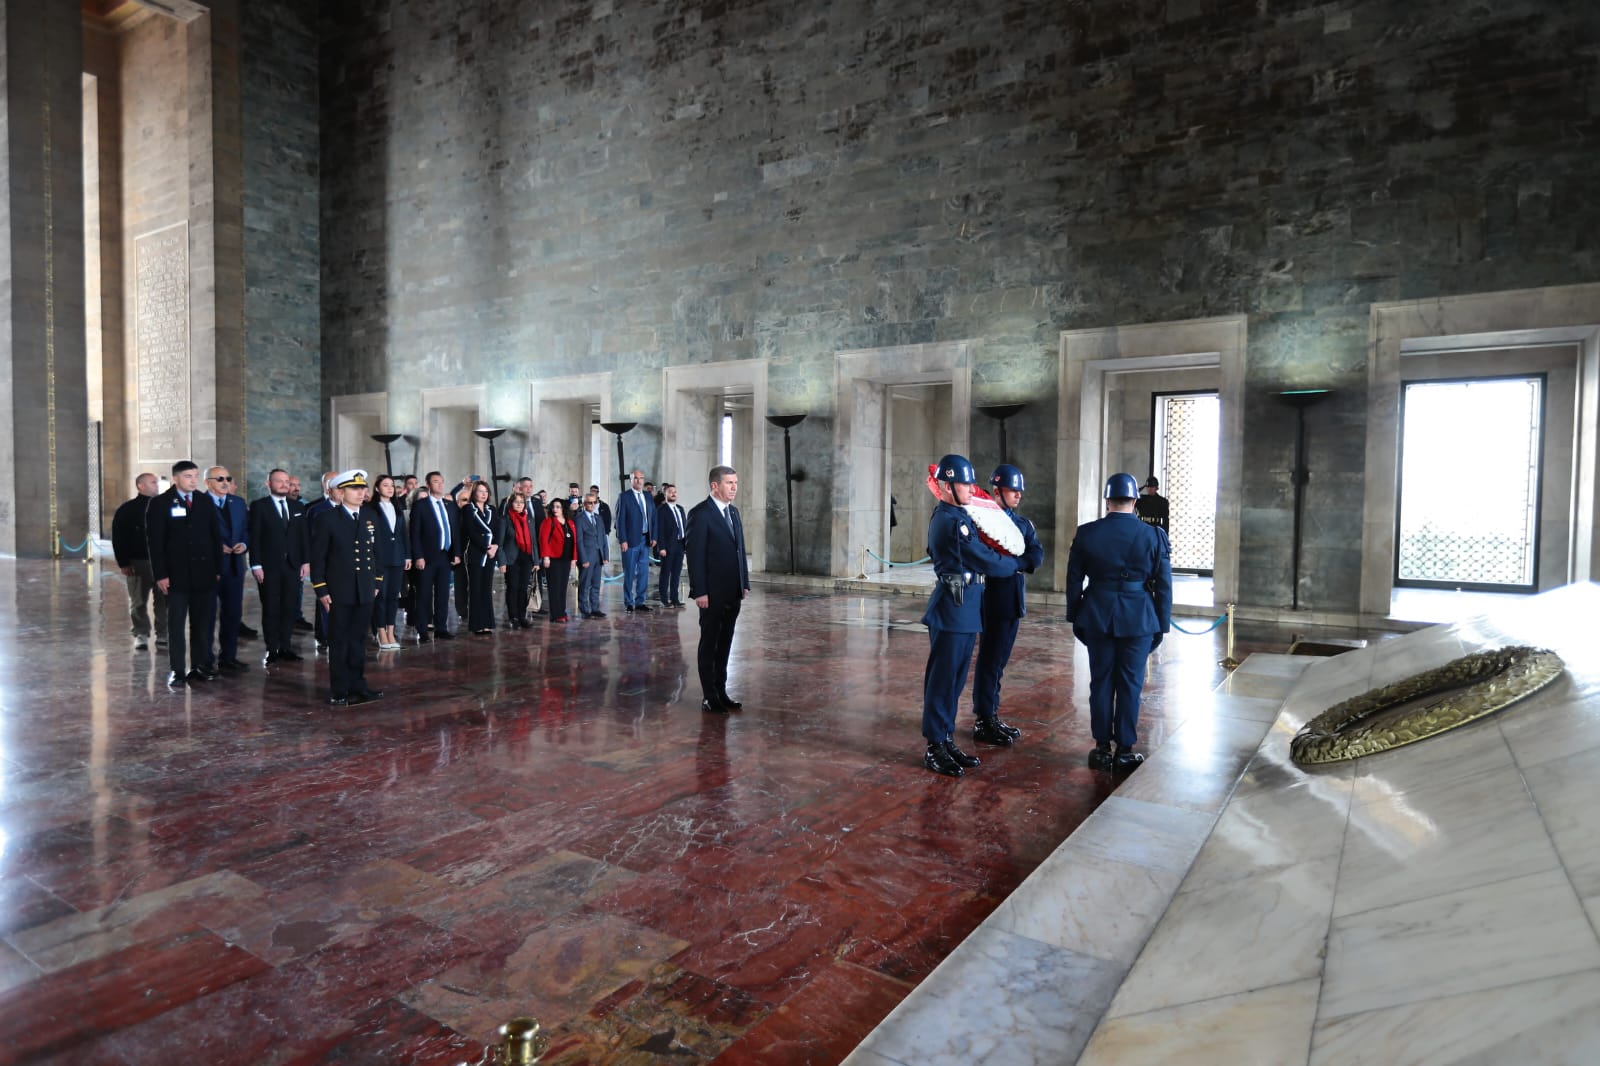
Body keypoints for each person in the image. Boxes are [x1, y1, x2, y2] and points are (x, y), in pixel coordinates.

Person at [918, 454, 1021, 776]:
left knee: (955, 679)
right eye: (964, 483)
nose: (970, 489)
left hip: (965, 605)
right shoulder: (950, 520)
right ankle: (935, 744)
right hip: (953, 606)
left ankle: (945, 738)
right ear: (947, 486)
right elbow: (983, 559)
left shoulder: (959, 516)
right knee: (943, 679)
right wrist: (1014, 563)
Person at [1068, 472, 1173, 772]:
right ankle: (1125, 749)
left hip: (1098, 614)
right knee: (1130, 683)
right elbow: (1164, 585)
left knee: (1100, 681)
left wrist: (1076, 614)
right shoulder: (1154, 536)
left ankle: (1101, 748)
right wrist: (1161, 623)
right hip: (1139, 618)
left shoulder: (1087, 533)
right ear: (1135, 501)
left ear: (1106, 501)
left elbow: (1074, 578)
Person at [971, 464, 1046, 746]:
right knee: (990, 661)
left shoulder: (1023, 524)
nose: (1018, 495)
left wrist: (1014, 564)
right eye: (1013, 490)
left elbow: (1036, 555)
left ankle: (991, 713)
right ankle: (984, 718)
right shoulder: (983, 523)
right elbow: (986, 559)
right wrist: (1012, 565)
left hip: (1012, 600)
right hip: (991, 599)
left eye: (1019, 491)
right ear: (997, 491)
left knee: (999, 662)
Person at [145, 460, 224, 686]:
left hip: (204, 574)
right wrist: (161, 574)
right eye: (188, 476)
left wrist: (217, 569)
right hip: (176, 575)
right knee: (176, 624)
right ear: (176, 478)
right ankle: (178, 670)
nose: (193, 480)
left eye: (195, 476)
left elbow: (215, 537)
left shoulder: (203, 501)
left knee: (202, 623)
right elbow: (155, 543)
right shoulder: (160, 504)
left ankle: (200, 665)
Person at [309, 470, 383, 705]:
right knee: (339, 641)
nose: (361, 493)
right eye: (355, 489)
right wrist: (321, 589)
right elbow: (318, 558)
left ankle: (358, 685)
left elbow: (376, 552)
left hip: (364, 590)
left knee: (359, 640)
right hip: (338, 591)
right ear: (341, 492)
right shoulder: (327, 518)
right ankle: (339, 689)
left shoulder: (370, 517)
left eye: (363, 489)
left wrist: (377, 582)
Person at [685, 465, 750, 713]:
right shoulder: (700, 514)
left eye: (735, 482)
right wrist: (699, 591)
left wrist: (744, 582)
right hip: (710, 594)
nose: (734, 487)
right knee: (710, 643)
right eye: (729, 483)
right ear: (715, 485)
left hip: (733, 592)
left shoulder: (733, 513)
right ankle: (709, 696)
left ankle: (721, 691)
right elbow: (695, 556)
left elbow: (739, 550)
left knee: (725, 643)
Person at [249, 468, 307, 664]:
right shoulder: (259, 506)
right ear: (269, 484)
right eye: (279, 481)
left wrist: (305, 561)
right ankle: (272, 649)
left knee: (290, 607)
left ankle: (286, 647)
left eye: (286, 481)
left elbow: (302, 538)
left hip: (292, 566)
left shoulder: (297, 507)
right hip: (268, 567)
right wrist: (255, 565)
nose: (284, 484)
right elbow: (254, 537)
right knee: (271, 608)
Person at [111, 472, 166, 651]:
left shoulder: (164, 506)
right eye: (152, 482)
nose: (156, 485)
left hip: (163, 563)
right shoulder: (127, 509)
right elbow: (118, 538)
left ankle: (163, 634)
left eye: (156, 482)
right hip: (138, 562)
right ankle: (141, 634)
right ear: (140, 486)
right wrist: (123, 563)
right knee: (138, 600)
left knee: (164, 600)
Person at [204, 467, 251, 672]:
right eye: (219, 478)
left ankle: (228, 658)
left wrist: (244, 544)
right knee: (206, 615)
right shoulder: (199, 503)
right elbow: (189, 536)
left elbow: (247, 530)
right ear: (207, 482)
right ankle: (205, 660)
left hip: (234, 567)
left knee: (232, 614)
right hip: (208, 568)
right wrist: (213, 547)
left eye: (228, 478)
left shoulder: (238, 503)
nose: (225, 482)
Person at [408, 470, 461, 642]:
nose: (440, 484)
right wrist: (418, 556)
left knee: (443, 594)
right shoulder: (421, 505)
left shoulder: (449, 505)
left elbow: (454, 531)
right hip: (427, 557)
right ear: (429, 485)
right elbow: (414, 533)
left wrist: (457, 553)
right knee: (424, 594)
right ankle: (422, 629)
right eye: (436, 481)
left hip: (445, 556)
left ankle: (441, 628)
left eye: (442, 481)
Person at [365, 473, 410, 650]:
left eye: (392, 485)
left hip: (398, 558)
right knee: (381, 597)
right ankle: (381, 632)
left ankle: (391, 631)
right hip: (380, 559)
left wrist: (407, 556)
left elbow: (403, 534)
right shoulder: (371, 509)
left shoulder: (397, 507)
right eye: (385, 485)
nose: (390, 488)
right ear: (377, 488)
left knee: (393, 597)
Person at [616, 469, 656, 612]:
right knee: (629, 572)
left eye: (641, 478)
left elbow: (653, 517)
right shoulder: (624, 497)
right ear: (630, 480)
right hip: (631, 540)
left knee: (644, 572)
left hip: (646, 540)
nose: (639, 481)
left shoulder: (648, 496)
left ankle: (640, 602)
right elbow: (620, 521)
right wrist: (623, 540)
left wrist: (654, 536)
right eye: (636, 478)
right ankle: (628, 602)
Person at [462, 480, 499, 634]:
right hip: (477, 553)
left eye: (486, 491)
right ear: (474, 493)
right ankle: (476, 624)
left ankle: (487, 622)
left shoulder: (492, 509)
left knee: (486, 588)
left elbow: (497, 529)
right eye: (480, 491)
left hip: (491, 553)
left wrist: (496, 545)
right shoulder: (468, 509)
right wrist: (485, 547)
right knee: (476, 589)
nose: (483, 494)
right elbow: (470, 531)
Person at [498, 492, 536, 628]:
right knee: (513, 588)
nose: (519, 504)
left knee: (523, 588)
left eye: (521, 502)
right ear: (511, 504)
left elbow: (533, 541)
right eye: (516, 502)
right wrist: (501, 561)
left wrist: (536, 561)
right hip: (511, 559)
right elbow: (500, 544)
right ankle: (512, 617)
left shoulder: (529, 519)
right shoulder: (505, 519)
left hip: (526, 558)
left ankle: (522, 617)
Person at [539, 497, 576, 623]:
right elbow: (543, 540)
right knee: (554, 587)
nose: (555, 509)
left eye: (558, 507)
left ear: (563, 509)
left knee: (563, 587)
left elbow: (574, 542)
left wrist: (574, 559)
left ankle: (562, 611)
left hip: (566, 559)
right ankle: (555, 614)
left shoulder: (570, 522)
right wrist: (546, 556)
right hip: (553, 559)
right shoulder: (549, 521)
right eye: (553, 507)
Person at [575, 491, 609, 618]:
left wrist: (605, 556)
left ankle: (595, 608)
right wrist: (583, 559)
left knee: (596, 584)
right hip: (587, 557)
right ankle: (584, 609)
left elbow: (603, 538)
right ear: (584, 504)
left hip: (598, 556)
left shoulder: (598, 518)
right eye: (590, 502)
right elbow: (579, 541)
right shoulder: (579, 519)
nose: (592, 505)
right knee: (585, 584)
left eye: (595, 502)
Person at [655, 483, 687, 608]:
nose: (673, 494)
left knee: (676, 573)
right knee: (666, 573)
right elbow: (660, 530)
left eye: (675, 492)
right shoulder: (661, 510)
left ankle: (675, 599)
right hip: (668, 546)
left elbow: (684, 527)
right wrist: (661, 547)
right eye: (670, 492)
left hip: (680, 545)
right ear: (665, 494)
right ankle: (664, 599)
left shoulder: (680, 509)